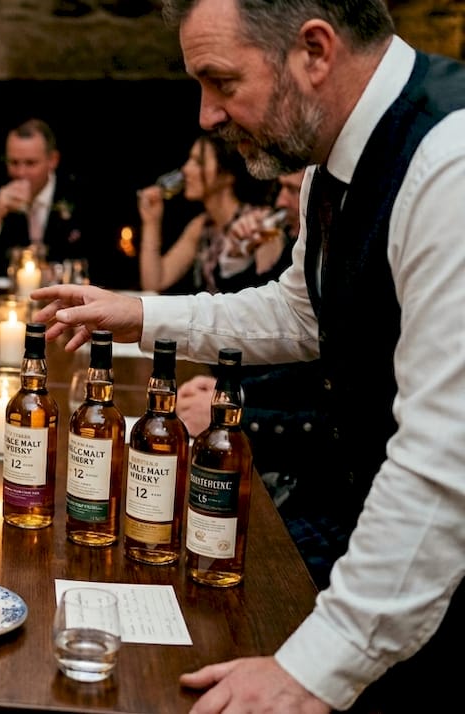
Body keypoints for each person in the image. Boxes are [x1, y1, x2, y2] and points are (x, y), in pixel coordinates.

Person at [32, 0, 465, 710]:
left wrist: (315, 668)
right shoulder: (332, 163)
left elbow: (446, 457)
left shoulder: (449, 164)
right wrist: (140, 314)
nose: (207, 115)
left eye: (222, 81)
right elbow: (300, 310)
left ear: (315, 51)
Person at [173, 169, 335, 587]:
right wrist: (232, 392)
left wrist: (238, 412)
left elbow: (314, 383)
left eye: (289, 189)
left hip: (320, 492)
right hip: (302, 476)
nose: (279, 201)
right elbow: (278, 351)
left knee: (207, 548)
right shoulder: (300, 244)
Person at [136, 133, 277, 294]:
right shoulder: (201, 226)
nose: (185, 169)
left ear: (227, 175)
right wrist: (151, 223)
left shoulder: (256, 222)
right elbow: (154, 283)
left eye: (198, 162)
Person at [0, 117, 85, 278]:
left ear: (52, 160)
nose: (21, 173)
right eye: (14, 163)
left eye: (30, 163)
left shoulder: (78, 195)